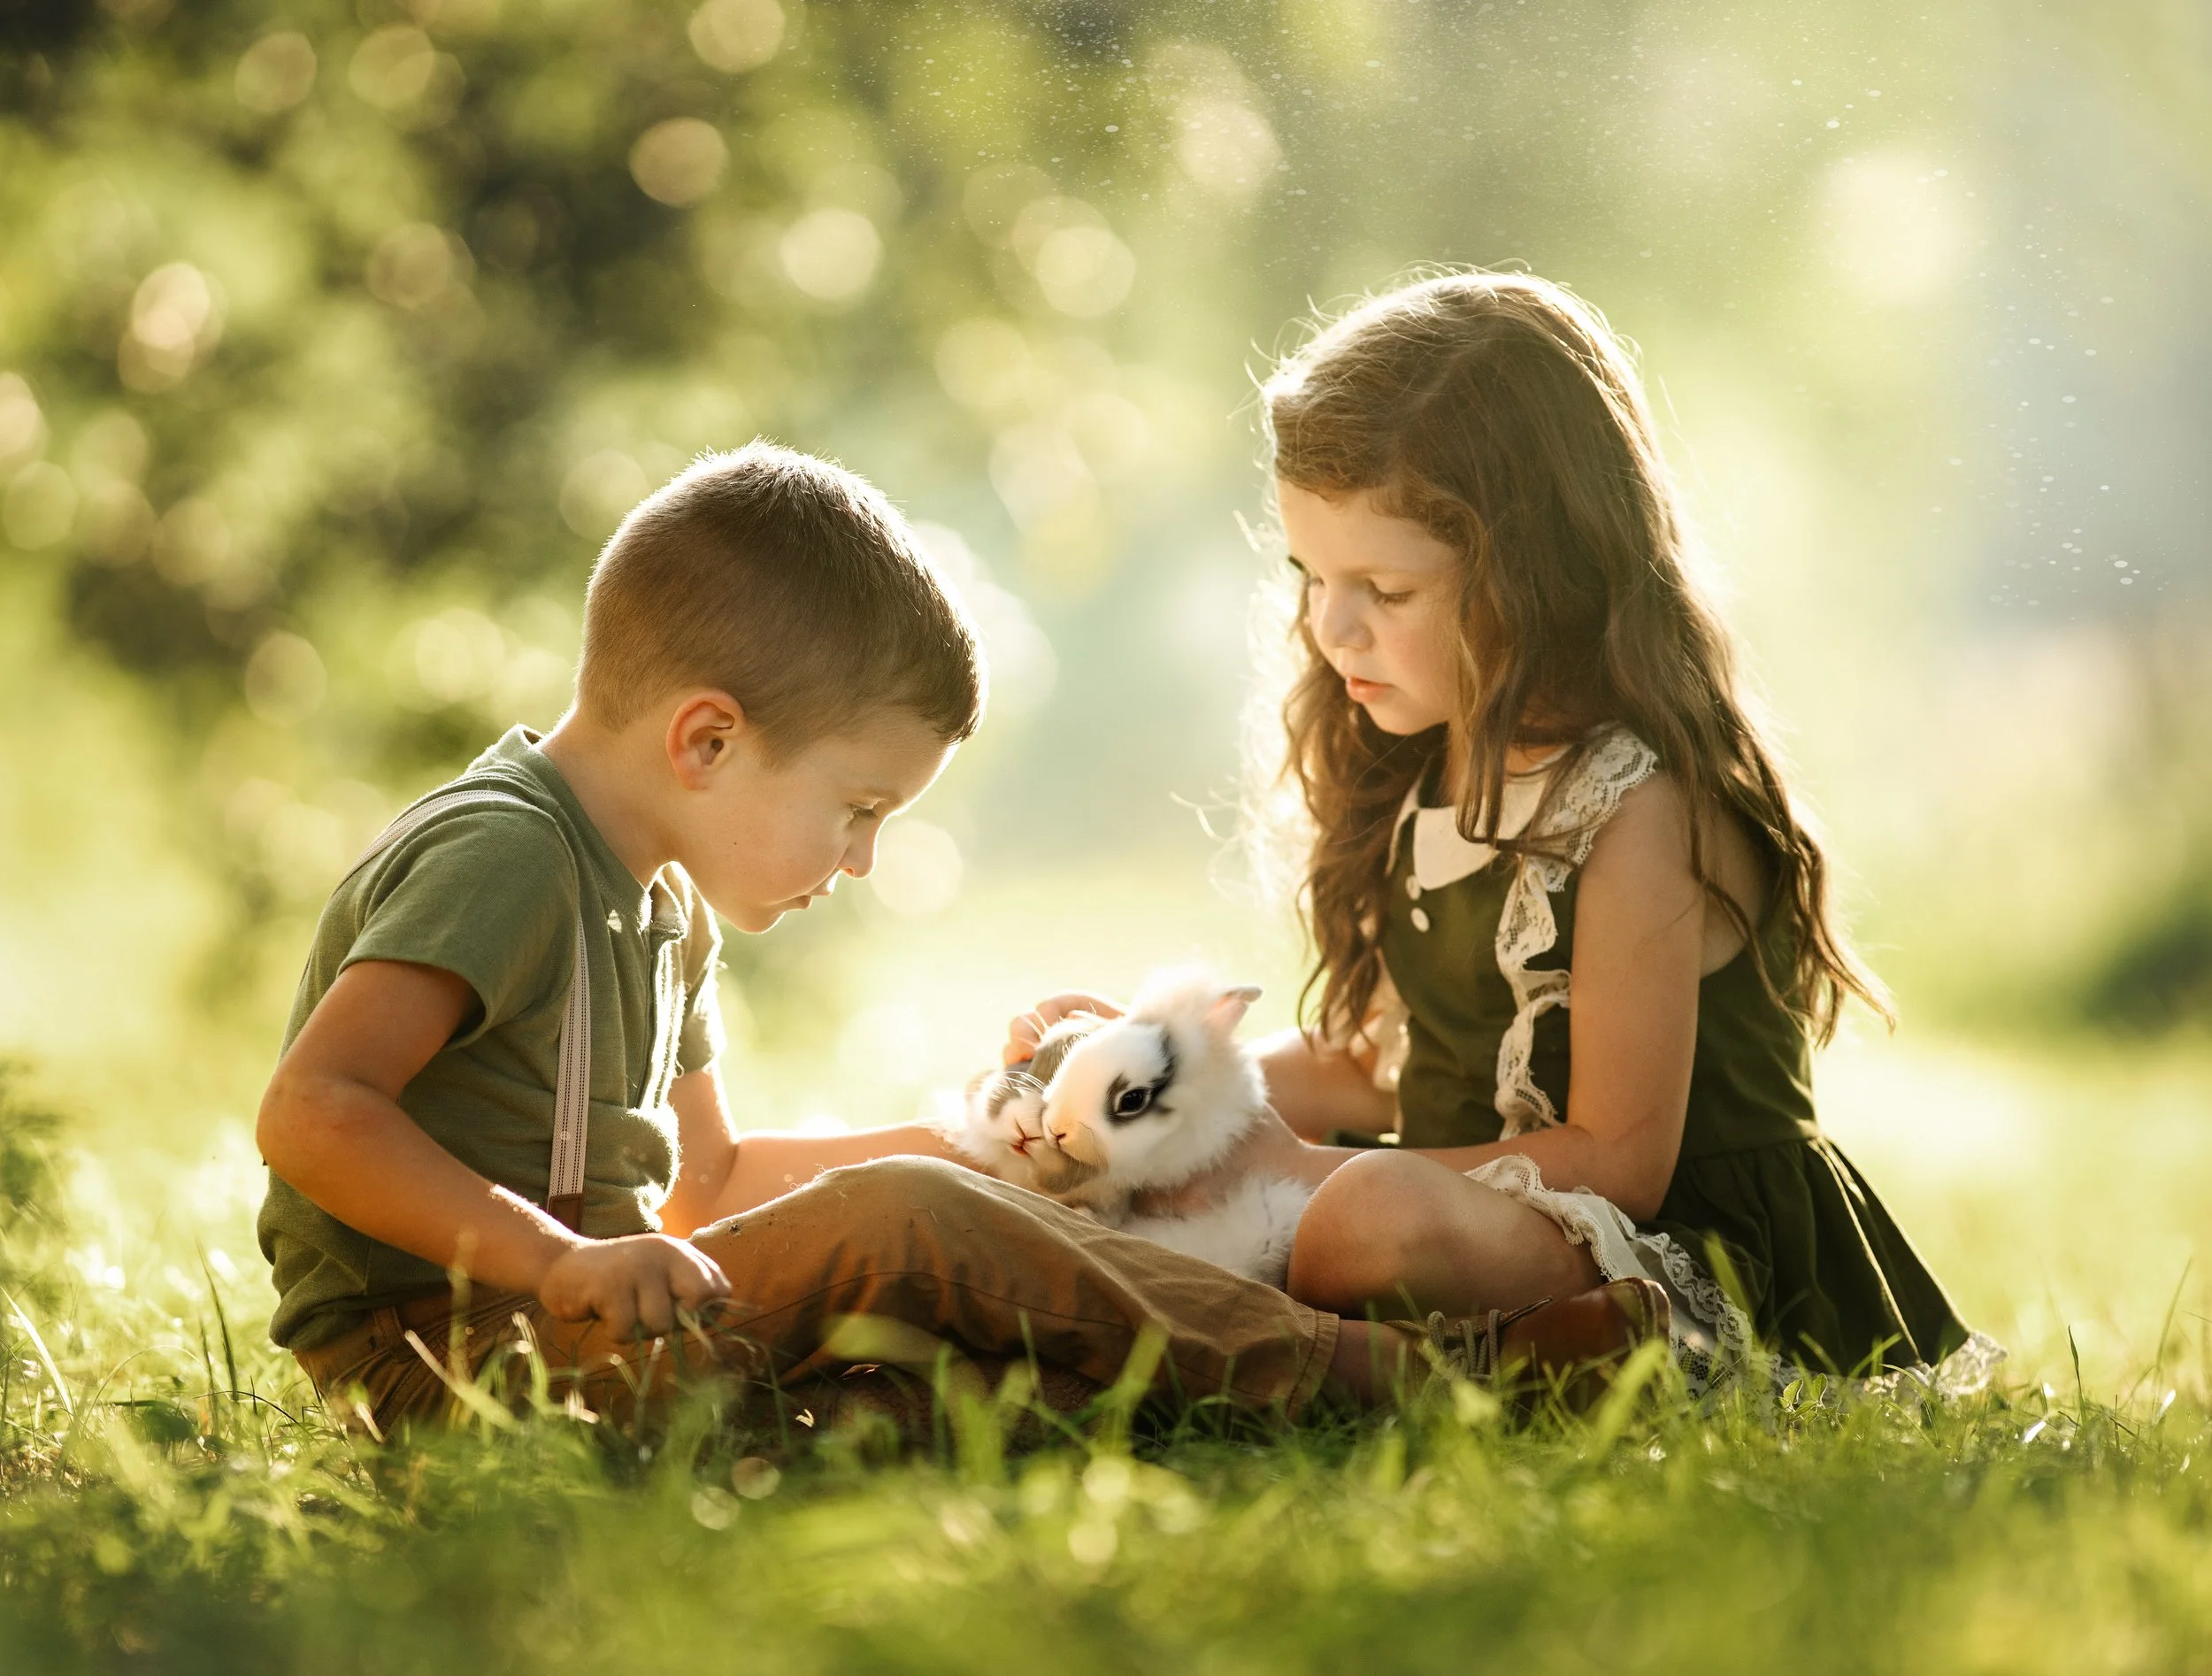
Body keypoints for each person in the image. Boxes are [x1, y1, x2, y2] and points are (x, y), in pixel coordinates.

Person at [255, 440, 1661, 1438]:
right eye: (855, 808)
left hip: (605, 1335)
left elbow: (716, 1182)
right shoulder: (507, 854)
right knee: (910, 1235)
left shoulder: (660, 898)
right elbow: (314, 1110)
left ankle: (1320, 1389)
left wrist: (989, 1160)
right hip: (446, 1356)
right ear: (708, 738)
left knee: (935, 1364)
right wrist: (552, 1260)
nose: (864, 857)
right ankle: (1427, 1379)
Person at [1015, 273, 1997, 1388]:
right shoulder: (1429, 769)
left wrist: (1302, 1173)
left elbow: (1619, 1160)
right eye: (1310, 576)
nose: (1329, 626)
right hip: (1498, 1222)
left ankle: (1569, 1350)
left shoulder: (1637, 808)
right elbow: (1375, 1066)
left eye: (1382, 587)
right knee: (1255, 1201)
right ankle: (1481, 1364)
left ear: (1533, 574)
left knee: (1359, 1215)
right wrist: (1152, 1087)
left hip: (1674, 1248)